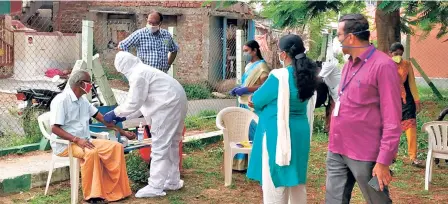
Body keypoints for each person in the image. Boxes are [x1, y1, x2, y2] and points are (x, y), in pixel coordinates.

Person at [325, 14, 402, 204]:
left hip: (367, 153)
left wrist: (383, 160)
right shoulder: (347, 65)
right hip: (337, 147)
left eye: (339, 35)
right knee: (334, 200)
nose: (338, 40)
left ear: (351, 37)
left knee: (378, 200)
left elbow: (393, 118)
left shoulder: (383, 65)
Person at [104, 51, 187, 198]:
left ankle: (155, 186)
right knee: (173, 143)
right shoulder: (144, 70)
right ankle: (173, 180)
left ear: (123, 68)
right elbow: (141, 103)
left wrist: (115, 113)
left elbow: (134, 102)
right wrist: (124, 117)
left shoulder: (138, 75)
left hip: (167, 106)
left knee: (160, 146)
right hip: (177, 102)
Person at [247, 34, 318, 203]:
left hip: (278, 133)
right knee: (297, 178)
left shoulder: (279, 76)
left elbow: (256, 100)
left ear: (284, 54)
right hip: (300, 132)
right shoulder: (308, 75)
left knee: (276, 179)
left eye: (279, 51)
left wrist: (255, 103)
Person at [50, 70, 134, 203]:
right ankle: (92, 195)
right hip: (66, 144)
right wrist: (77, 140)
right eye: (89, 82)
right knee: (91, 153)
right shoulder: (61, 101)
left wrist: (123, 132)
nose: (91, 85)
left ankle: (114, 191)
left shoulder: (83, 101)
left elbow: (103, 119)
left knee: (116, 147)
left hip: (86, 141)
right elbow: (54, 128)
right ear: (80, 84)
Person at [229, 40, 270, 170]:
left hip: (253, 103)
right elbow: (246, 82)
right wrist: (239, 89)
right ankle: (242, 164)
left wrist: (246, 89)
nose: (245, 53)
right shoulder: (248, 66)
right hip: (242, 102)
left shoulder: (262, 67)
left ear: (254, 50)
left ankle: (256, 165)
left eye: (247, 51)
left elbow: (264, 86)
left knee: (254, 132)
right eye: (243, 51)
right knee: (242, 133)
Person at [389, 42, 424, 168]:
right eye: (395, 54)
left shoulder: (407, 65)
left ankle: (413, 157)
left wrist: (417, 100)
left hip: (407, 100)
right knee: (393, 128)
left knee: (411, 128)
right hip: (391, 100)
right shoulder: (386, 65)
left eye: (400, 53)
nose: (398, 56)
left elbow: (412, 83)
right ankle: (391, 156)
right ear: (390, 53)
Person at [318, 46, 341, 133]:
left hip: (337, 90)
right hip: (332, 90)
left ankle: (334, 130)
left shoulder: (329, 64)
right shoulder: (327, 64)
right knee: (330, 109)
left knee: (335, 110)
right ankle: (328, 128)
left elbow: (319, 77)